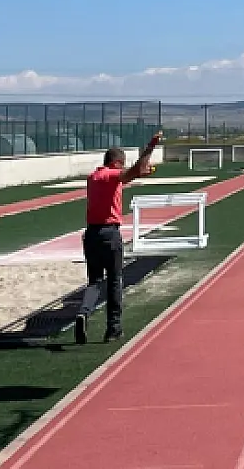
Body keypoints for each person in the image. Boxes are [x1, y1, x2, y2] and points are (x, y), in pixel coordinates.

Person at [75, 130, 163, 345]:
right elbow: (127, 173)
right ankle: (113, 328)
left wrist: (139, 173)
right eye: (121, 165)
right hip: (109, 234)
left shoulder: (94, 177)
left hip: (91, 234)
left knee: (94, 281)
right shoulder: (112, 175)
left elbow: (126, 177)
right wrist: (150, 147)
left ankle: (83, 313)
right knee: (115, 280)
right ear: (116, 163)